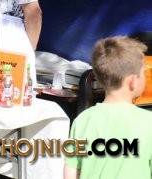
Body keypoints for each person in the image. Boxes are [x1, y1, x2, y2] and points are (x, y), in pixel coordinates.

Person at [64, 36, 152, 179]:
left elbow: (71, 171)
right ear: (133, 81)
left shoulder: (83, 120)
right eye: (143, 73)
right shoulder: (149, 122)